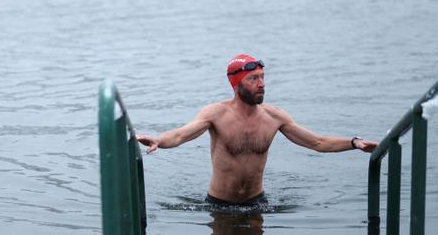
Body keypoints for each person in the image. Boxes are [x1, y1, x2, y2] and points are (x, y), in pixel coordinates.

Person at [136, 54, 378, 209]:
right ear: (237, 84)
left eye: (262, 77)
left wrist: (354, 143)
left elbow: (318, 142)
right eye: (253, 79)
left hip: (257, 203)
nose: (262, 84)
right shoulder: (216, 114)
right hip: (219, 205)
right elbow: (180, 134)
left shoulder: (275, 117)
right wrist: (158, 139)